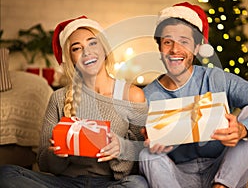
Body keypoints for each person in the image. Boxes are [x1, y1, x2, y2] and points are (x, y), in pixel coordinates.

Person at [139, 2, 248, 188]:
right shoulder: (147, 96)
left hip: (222, 171)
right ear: (160, 48)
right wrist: (143, 138)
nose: (175, 50)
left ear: (197, 47)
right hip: (177, 177)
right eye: (168, 42)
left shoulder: (217, 79)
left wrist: (243, 129)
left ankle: (221, 186)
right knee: (147, 155)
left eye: (184, 41)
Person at [0, 16, 149, 188]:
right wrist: (58, 152)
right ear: (70, 59)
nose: (87, 52)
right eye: (77, 48)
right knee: (6, 174)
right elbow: (44, 163)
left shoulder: (133, 96)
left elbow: (141, 159)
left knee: (137, 184)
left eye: (92, 43)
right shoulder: (59, 98)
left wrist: (120, 148)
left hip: (109, 184)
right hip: (64, 183)